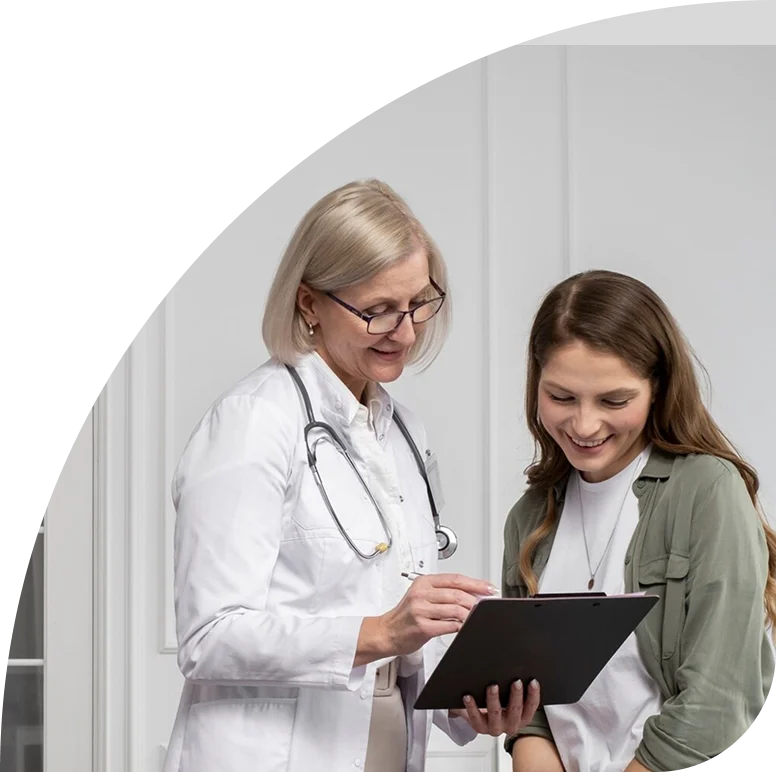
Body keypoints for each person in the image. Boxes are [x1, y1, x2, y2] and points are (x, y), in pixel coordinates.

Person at [160, 179, 540, 772]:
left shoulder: (401, 431)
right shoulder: (253, 421)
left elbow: (403, 626)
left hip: (385, 738)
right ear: (309, 303)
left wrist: (468, 706)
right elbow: (210, 637)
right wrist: (382, 632)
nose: (406, 333)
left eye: (418, 304)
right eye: (378, 310)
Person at [501, 269, 776, 772]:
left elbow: (718, 703)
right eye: (561, 397)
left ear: (657, 389)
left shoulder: (706, 491)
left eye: (614, 400)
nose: (584, 425)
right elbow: (533, 717)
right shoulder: (531, 517)